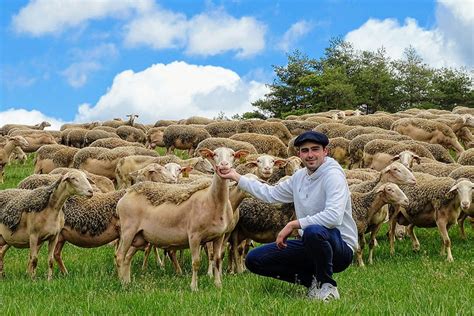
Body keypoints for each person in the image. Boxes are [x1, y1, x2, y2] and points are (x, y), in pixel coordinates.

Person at [217, 130, 358, 302]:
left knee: (314, 230)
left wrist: (293, 224)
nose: (310, 155)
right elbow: (271, 194)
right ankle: (312, 282)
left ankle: (327, 285)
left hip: (339, 247)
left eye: (315, 149)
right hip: (310, 244)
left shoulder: (333, 175)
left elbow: (333, 217)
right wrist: (236, 177)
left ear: (325, 151)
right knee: (255, 260)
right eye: (305, 150)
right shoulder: (299, 177)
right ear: (299, 154)